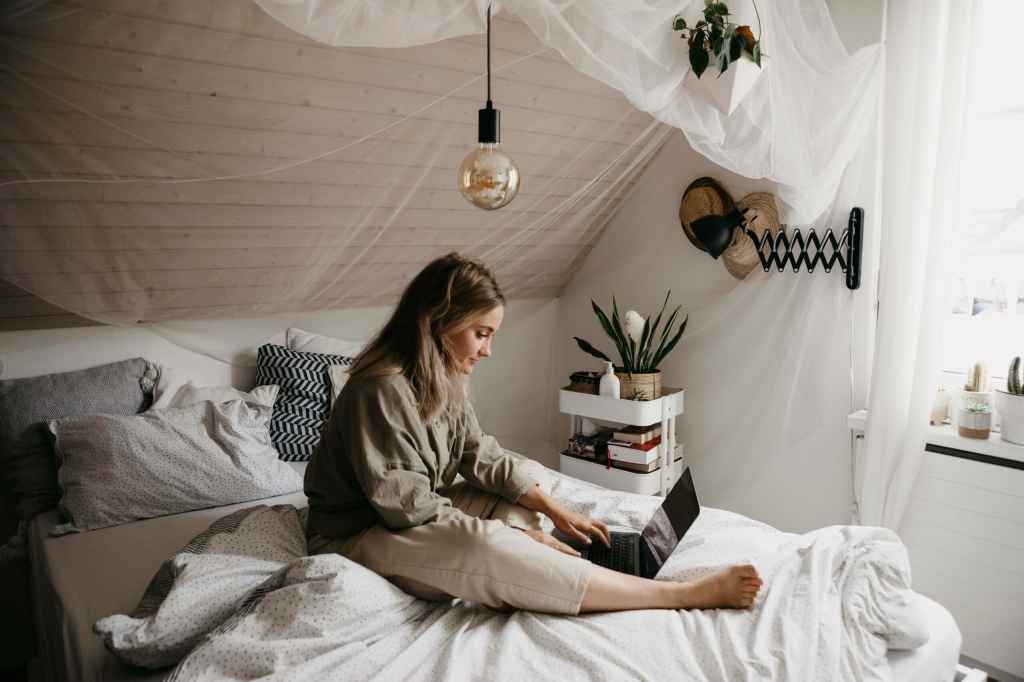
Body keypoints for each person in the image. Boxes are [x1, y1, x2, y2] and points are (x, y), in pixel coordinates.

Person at [305, 252, 761, 615]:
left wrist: (555, 511)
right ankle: (675, 596)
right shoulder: (381, 389)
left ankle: (563, 561)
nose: (487, 350)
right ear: (440, 319)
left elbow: (476, 453)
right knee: (484, 544)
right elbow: (409, 509)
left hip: (410, 513)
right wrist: (511, 536)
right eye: (481, 334)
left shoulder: (444, 376)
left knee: (514, 507)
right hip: (358, 533)